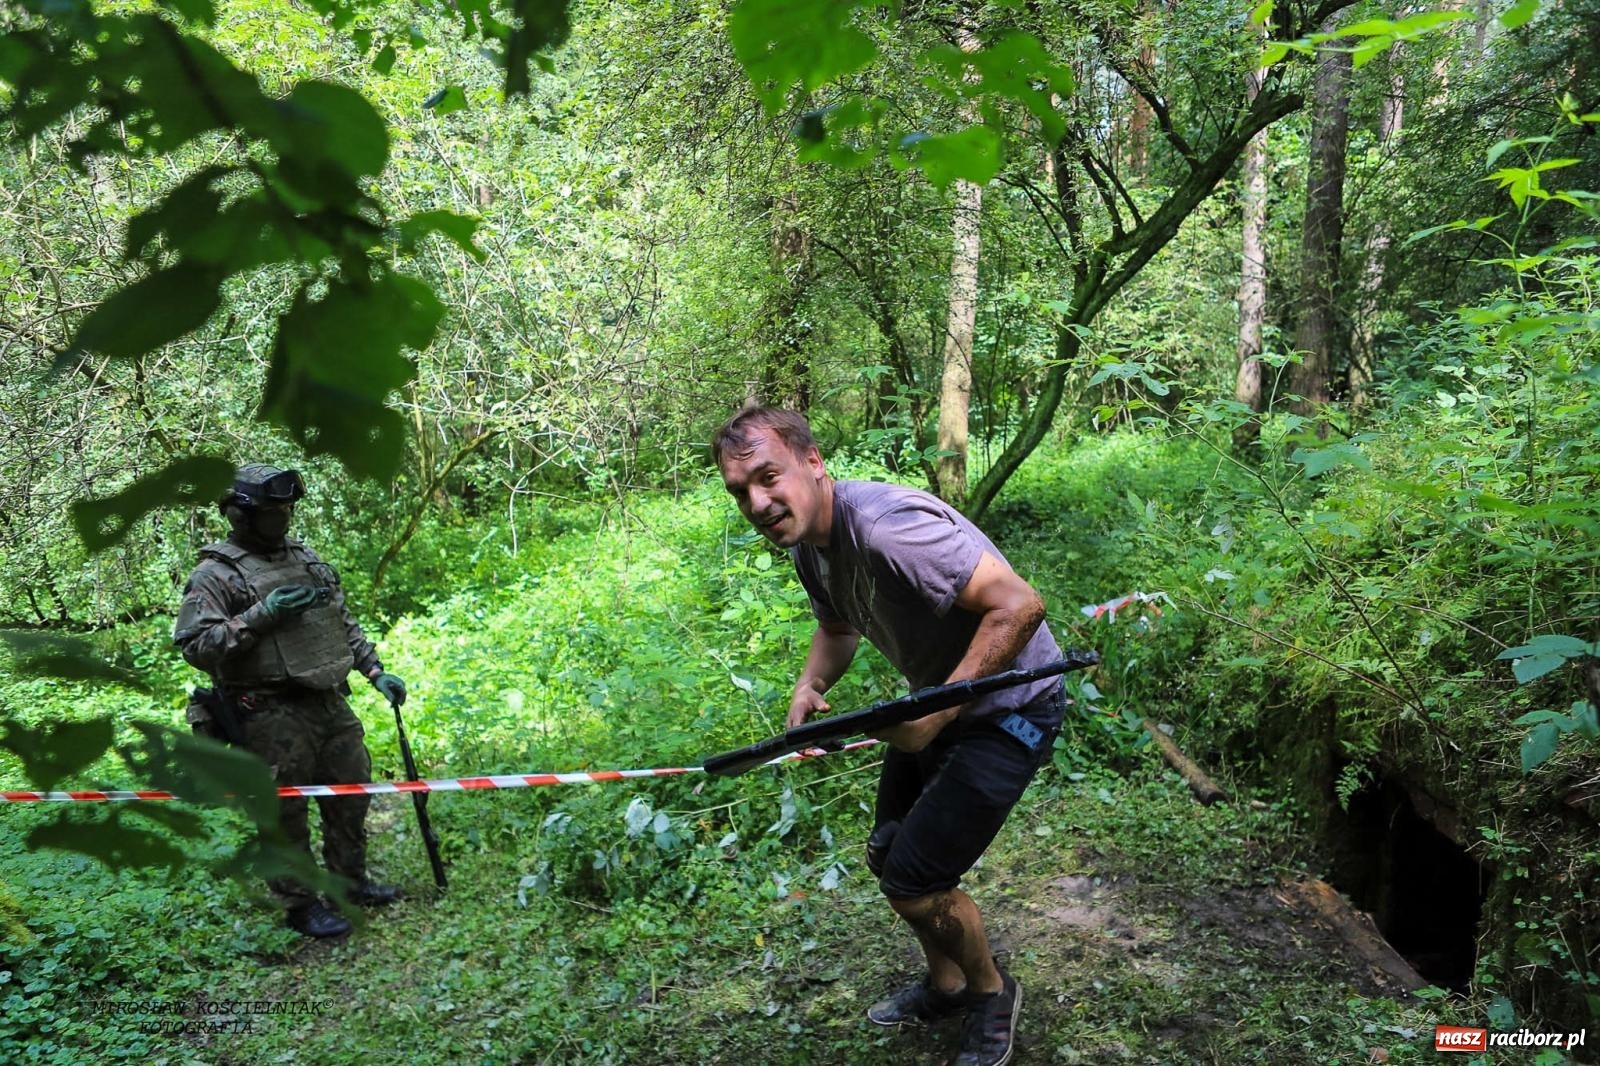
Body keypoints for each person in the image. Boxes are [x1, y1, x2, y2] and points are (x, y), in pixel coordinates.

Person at [713, 408, 1066, 1066]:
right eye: (741, 491)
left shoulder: (886, 529)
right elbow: (839, 630)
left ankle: (991, 993)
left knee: (915, 878)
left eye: (769, 477)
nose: (758, 503)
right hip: (941, 701)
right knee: (889, 852)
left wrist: (934, 715)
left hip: (1014, 708)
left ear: (813, 462)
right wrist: (806, 686)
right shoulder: (811, 548)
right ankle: (947, 982)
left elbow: (1020, 606)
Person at [173, 463, 407, 938]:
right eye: (272, 511)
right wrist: (259, 616)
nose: (283, 518)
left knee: (350, 792)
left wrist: (375, 671)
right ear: (240, 515)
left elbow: (340, 623)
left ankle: (349, 883)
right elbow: (197, 647)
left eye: (287, 510)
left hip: (327, 700)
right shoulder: (215, 575)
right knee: (285, 813)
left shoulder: (306, 559)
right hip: (266, 711)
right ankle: (300, 904)